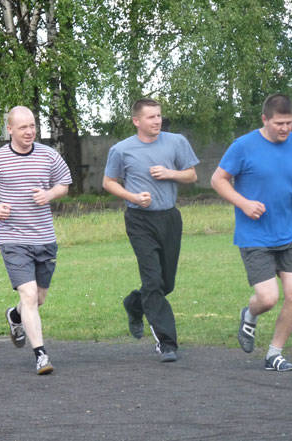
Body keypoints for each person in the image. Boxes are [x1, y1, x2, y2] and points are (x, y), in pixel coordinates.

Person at [211, 93, 292, 372]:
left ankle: (274, 353)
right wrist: (244, 203)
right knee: (268, 298)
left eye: (289, 122)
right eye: (279, 123)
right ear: (265, 119)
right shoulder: (243, 146)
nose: (285, 128)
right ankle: (249, 314)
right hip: (255, 236)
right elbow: (218, 179)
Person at [0, 105, 72, 375]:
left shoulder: (49, 155)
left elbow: (64, 183)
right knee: (28, 294)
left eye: (32, 126)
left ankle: (15, 316)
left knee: (38, 298)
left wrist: (49, 195)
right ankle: (41, 355)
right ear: (10, 129)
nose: (29, 132)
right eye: (23, 127)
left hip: (44, 237)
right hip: (13, 238)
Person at [102, 98, 199, 363]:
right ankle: (167, 344)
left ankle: (135, 304)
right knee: (153, 281)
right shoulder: (121, 150)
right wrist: (132, 197)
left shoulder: (176, 141)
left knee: (165, 283)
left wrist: (170, 173)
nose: (157, 121)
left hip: (169, 218)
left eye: (158, 116)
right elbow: (108, 182)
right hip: (139, 220)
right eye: (151, 117)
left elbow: (191, 175)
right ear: (136, 121)